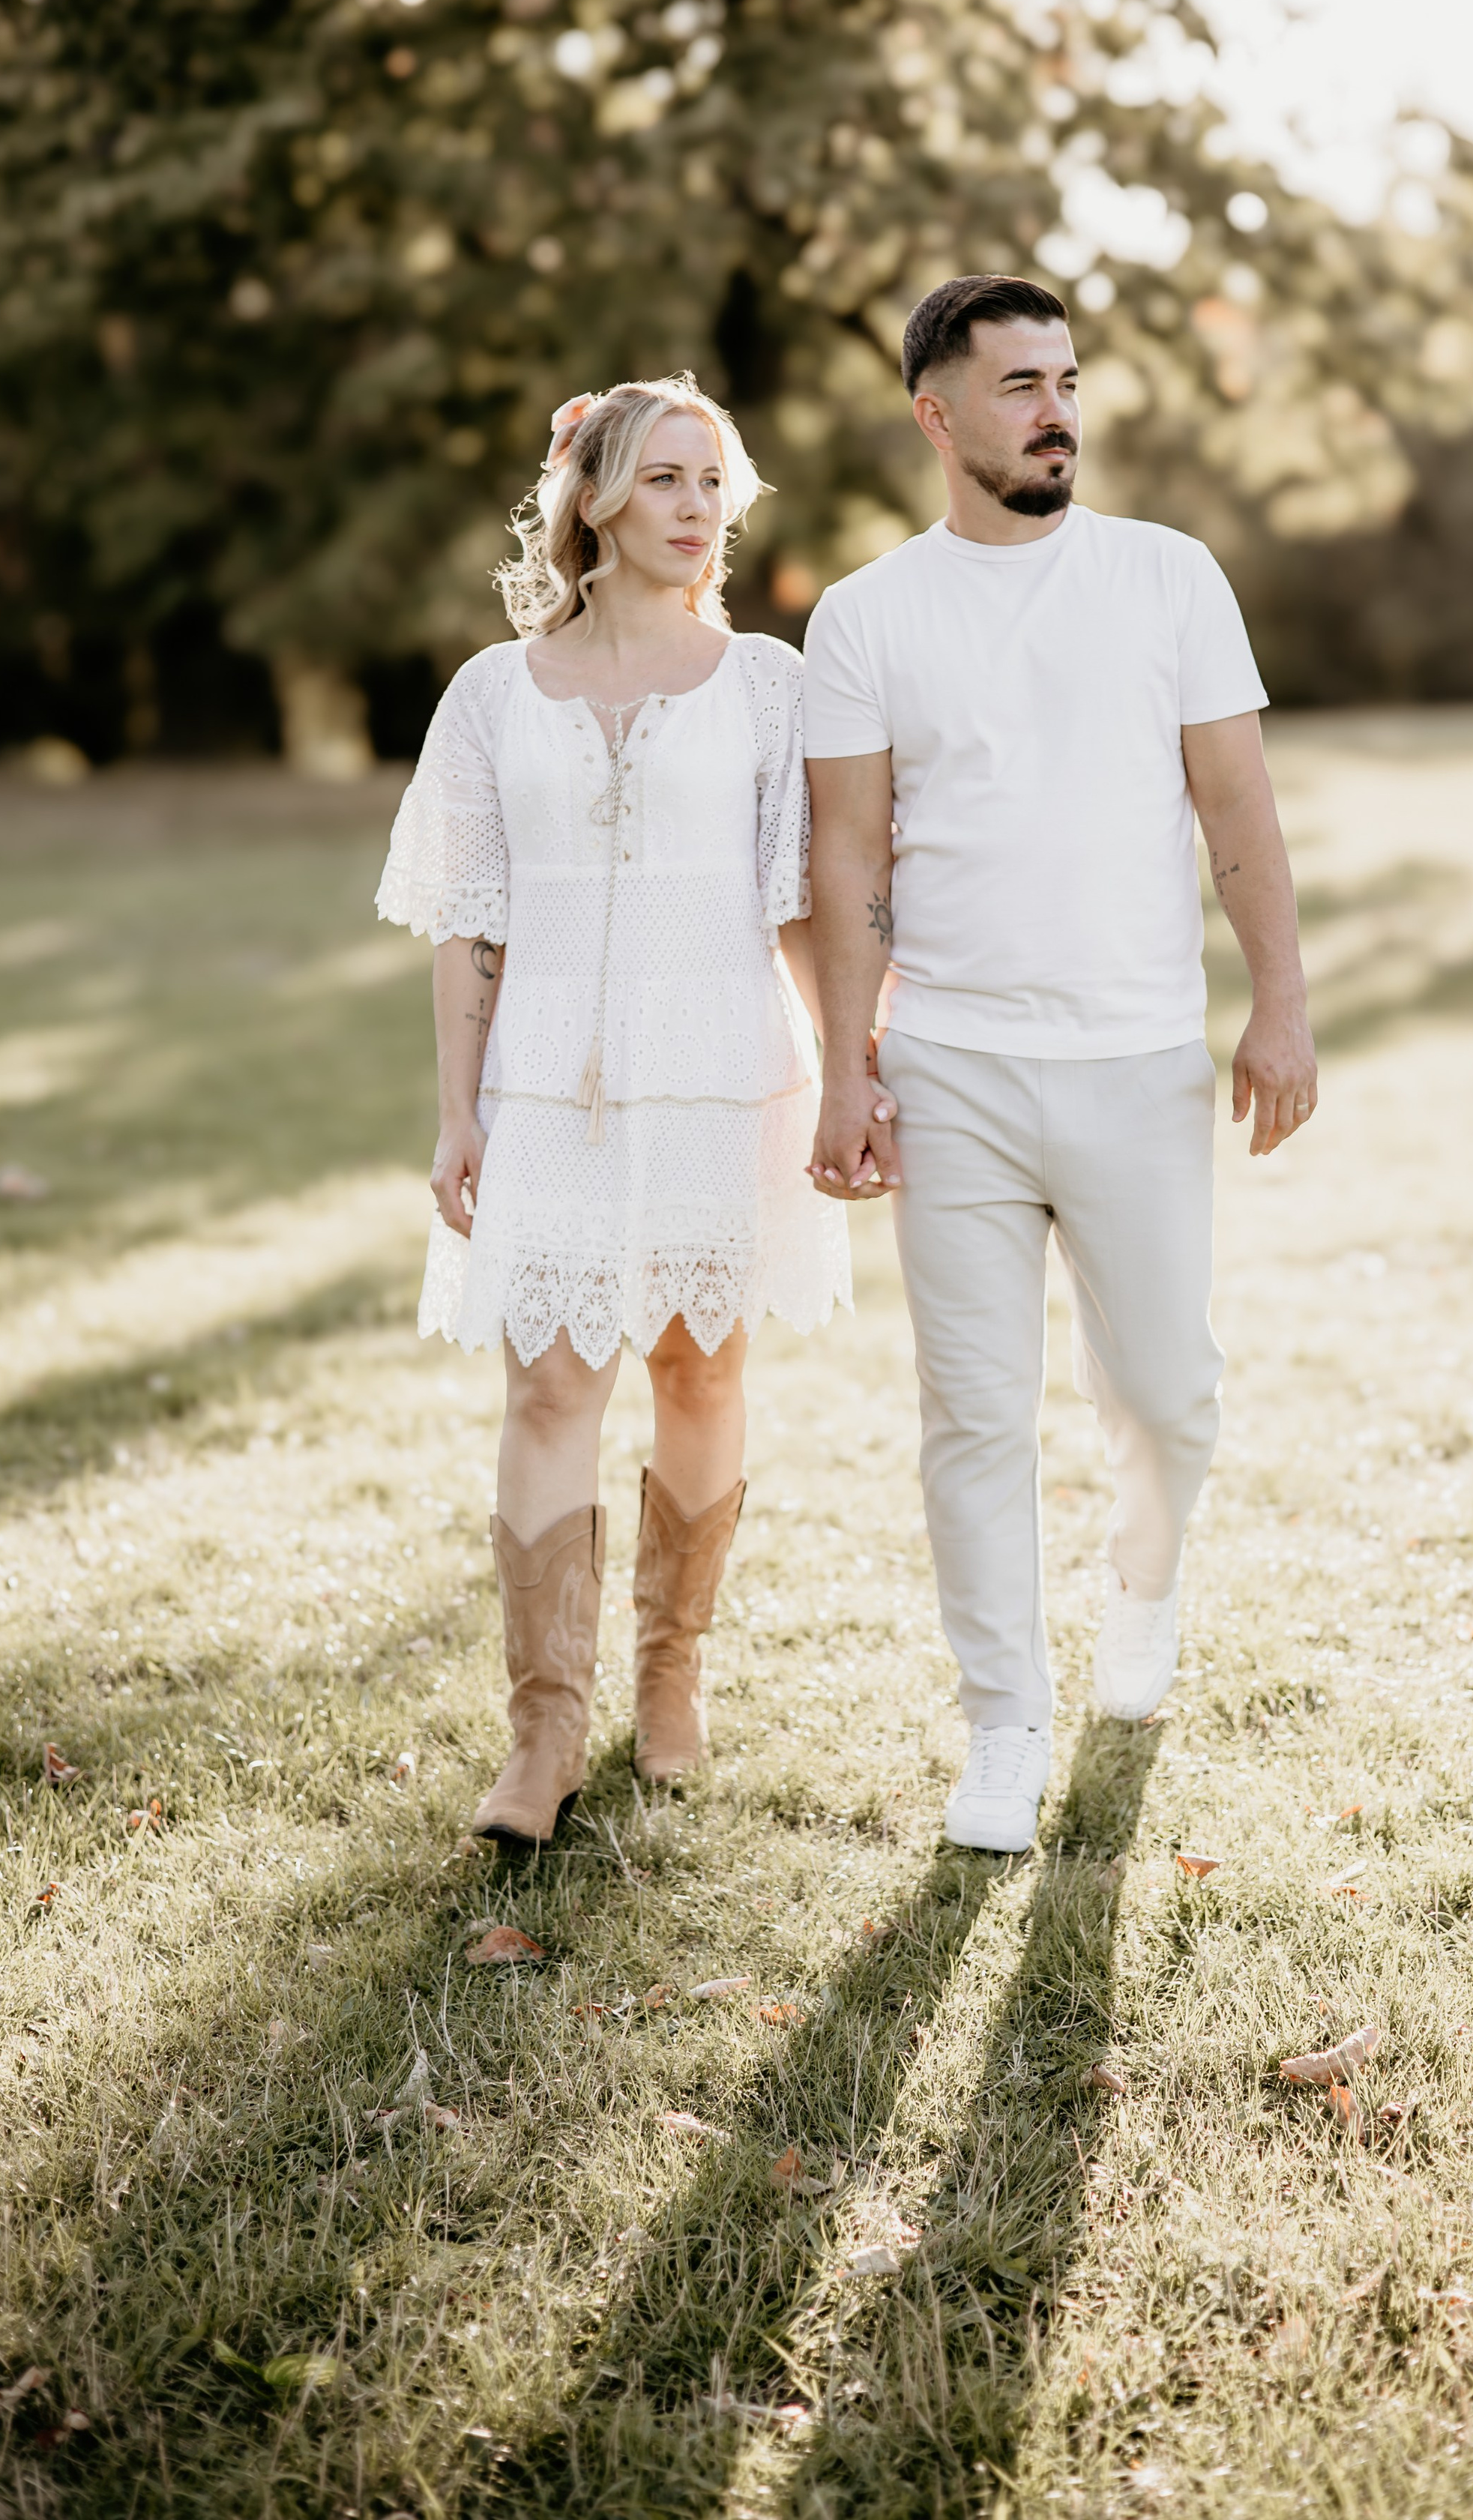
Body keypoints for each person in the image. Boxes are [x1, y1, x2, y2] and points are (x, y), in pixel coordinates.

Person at [802, 275, 1318, 1854]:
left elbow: (1236, 809)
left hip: (1138, 1057)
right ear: (936, 414)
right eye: (1021, 385)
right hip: (949, 1065)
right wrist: (846, 1067)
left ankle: (1144, 1593)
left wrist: (1281, 1003)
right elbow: (846, 855)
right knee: (972, 1414)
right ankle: (1002, 1726)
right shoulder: (867, 615)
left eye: (1069, 382)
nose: (1056, 413)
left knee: (1165, 1392)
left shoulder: (1168, 578)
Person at [376, 375, 851, 1848]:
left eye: (713, 482)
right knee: (546, 1388)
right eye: (662, 479)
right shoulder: (490, 693)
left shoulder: (767, 684)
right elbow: (470, 916)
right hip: (544, 1086)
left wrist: (850, 1072)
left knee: (700, 1371)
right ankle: (543, 1734)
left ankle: (670, 1676)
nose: (697, 508)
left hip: (722, 1073)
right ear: (591, 497)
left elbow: (799, 903)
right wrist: (457, 1112)